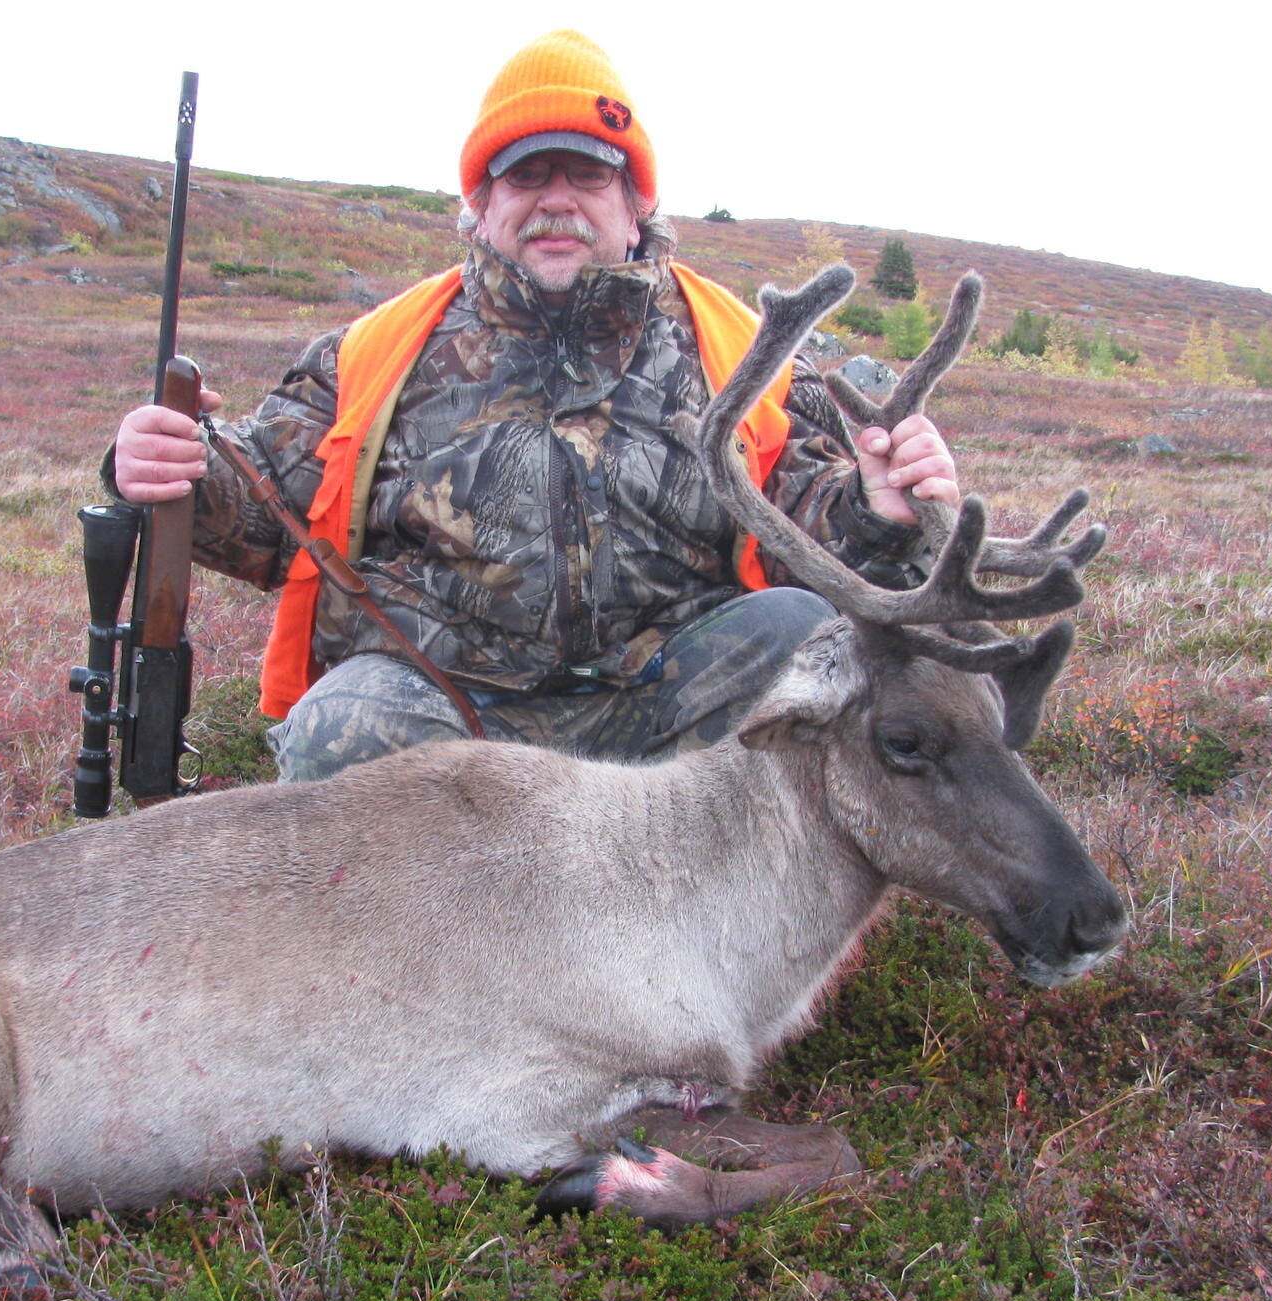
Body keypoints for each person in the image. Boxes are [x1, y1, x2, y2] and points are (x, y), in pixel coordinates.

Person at [107, 30, 960, 781]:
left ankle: (721, 940)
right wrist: (169, 466)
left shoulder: (741, 352)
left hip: (668, 707)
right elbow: (265, 514)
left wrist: (877, 516)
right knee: (339, 729)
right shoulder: (374, 355)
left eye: (588, 173)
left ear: (635, 205)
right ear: (480, 207)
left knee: (805, 636)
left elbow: (804, 531)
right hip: (455, 707)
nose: (557, 198)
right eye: (525, 173)